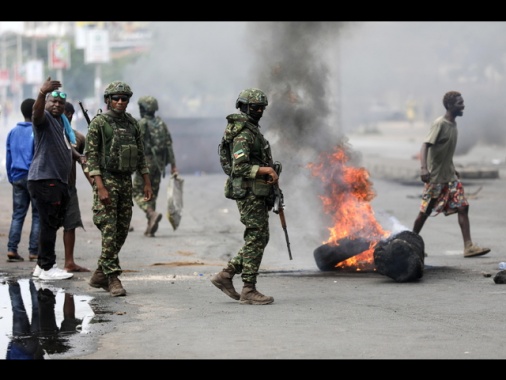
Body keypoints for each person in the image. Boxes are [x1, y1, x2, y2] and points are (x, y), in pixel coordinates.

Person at [85, 81, 153, 297]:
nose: (120, 102)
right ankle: (113, 278)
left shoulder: (132, 124)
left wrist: (147, 182)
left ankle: (99, 274)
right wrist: (100, 187)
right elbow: (92, 158)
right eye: (116, 98)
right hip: (107, 180)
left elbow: (141, 154)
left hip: (125, 182)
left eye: (124, 98)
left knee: (122, 230)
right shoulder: (99, 123)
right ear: (108, 100)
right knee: (109, 230)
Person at [211, 88, 278, 305]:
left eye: (261, 108)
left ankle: (226, 275)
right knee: (256, 236)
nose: (259, 111)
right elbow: (238, 167)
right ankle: (248, 289)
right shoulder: (242, 133)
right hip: (248, 192)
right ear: (243, 107)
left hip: (256, 191)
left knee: (260, 237)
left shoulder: (251, 130)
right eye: (254, 107)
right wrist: (264, 171)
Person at [412, 90, 491, 258]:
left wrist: (452, 168)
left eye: (462, 102)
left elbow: (445, 151)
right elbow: (425, 145)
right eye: (459, 103)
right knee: (425, 212)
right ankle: (411, 242)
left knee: (463, 207)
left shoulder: (454, 124)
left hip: (450, 178)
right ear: (449, 106)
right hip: (435, 179)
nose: (463, 105)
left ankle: (468, 247)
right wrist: (424, 168)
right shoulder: (440, 124)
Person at [28, 77, 77, 281]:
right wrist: (41, 93)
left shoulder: (61, 123)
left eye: (60, 103)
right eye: (52, 101)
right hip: (46, 179)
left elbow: (66, 147)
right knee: (49, 224)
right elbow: (36, 113)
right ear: (47, 103)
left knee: (50, 223)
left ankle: (41, 266)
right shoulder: (45, 119)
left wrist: (79, 157)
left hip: (54, 180)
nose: (56, 105)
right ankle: (48, 267)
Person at [133, 95, 177, 237]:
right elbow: (169, 145)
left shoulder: (142, 123)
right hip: (160, 164)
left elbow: (136, 145)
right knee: (151, 194)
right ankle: (150, 225)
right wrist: (173, 166)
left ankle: (151, 214)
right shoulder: (161, 123)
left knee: (137, 192)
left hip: (145, 163)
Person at [6, 98, 40, 263]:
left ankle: (12, 249)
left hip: (17, 177)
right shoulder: (36, 130)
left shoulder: (13, 131)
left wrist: (11, 176)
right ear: (35, 111)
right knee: (37, 215)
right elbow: (38, 156)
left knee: (18, 215)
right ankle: (33, 251)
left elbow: (8, 157)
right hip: (34, 178)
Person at [61, 102, 92, 272]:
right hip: (50, 186)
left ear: (70, 115)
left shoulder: (78, 138)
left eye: (62, 110)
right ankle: (43, 263)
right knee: (46, 225)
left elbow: (85, 164)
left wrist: (96, 185)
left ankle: (69, 262)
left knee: (70, 224)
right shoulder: (49, 133)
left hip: (69, 187)